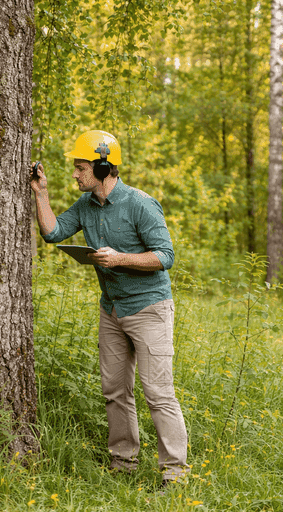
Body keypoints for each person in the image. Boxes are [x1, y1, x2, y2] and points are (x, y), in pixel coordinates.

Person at [29, 130, 189, 486]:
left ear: (103, 168)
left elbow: (166, 256)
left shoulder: (140, 204)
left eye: (81, 167)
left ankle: (174, 474)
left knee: (158, 392)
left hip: (150, 309)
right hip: (112, 310)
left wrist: (119, 259)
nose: (75, 174)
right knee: (115, 390)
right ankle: (123, 464)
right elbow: (53, 232)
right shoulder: (86, 206)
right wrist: (41, 194)